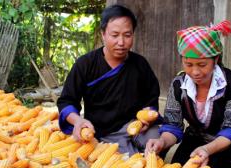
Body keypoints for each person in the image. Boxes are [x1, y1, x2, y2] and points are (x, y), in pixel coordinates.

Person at [145, 21, 231, 168]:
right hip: (197, 138)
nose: (195, 72)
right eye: (188, 64)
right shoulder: (179, 85)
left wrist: (208, 150)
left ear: (216, 60)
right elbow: (173, 126)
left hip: (227, 143)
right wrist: (162, 141)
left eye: (202, 65)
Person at [57, 4, 160, 154]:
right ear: (103, 34)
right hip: (103, 132)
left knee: (157, 141)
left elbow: (151, 99)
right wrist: (78, 121)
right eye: (115, 35)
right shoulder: (85, 64)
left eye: (127, 35)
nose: (121, 42)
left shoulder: (140, 64)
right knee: (127, 161)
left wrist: (148, 115)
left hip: (136, 126)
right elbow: (66, 101)